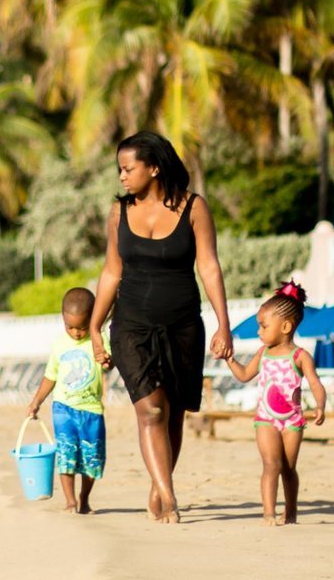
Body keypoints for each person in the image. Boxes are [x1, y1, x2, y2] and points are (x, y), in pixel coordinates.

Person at [88, 131, 234, 524]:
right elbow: (111, 272)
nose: (122, 176)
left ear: (153, 167)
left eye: (128, 168)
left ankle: (159, 483)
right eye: (120, 169)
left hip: (183, 325)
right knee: (151, 409)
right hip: (131, 326)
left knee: (173, 414)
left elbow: (209, 266)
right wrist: (95, 326)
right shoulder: (119, 212)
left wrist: (224, 324)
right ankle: (169, 496)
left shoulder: (194, 208)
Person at [224, 281, 329, 525]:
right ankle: (269, 512)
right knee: (271, 465)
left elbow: (315, 384)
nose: (259, 332)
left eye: (263, 326)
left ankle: (290, 512)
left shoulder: (300, 356)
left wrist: (320, 405)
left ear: (285, 327)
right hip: (266, 419)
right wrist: (230, 360)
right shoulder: (263, 354)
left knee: (288, 468)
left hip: (292, 422)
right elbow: (244, 375)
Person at [24, 287, 104, 514]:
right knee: (66, 454)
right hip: (63, 409)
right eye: (70, 327)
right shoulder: (59, 344)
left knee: (92, 457)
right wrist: (36, 401)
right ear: (63, 319)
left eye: (82, 327)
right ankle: (70, 501)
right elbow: (50, 376)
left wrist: (108, 360)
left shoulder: (99, 340)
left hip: (92, 410)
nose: (76, 333)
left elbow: (110, 362)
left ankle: (84, 498)